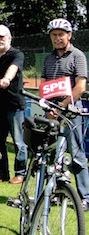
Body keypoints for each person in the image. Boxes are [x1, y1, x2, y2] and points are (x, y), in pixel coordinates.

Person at [41, 18, 89, 211]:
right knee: (52, 154)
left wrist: (61, 106)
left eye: (61, 34)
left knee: (76, 155)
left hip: (71, 112)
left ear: (69, 35)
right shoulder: (48, 58)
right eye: (54, 35)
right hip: (51, 112)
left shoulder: (77, 56)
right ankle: (55, 192)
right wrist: (47, 106)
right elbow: (44, 84)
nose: (57, 38)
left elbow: (80, 87)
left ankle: (85, 197)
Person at [0, 25, 27, 184]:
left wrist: (6, 79)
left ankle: (20, 173)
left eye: (2, 37)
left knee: (18, 141)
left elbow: (13, 68)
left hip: (14, 104)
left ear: (9, 38)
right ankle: (3, 173)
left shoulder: (17, 54)